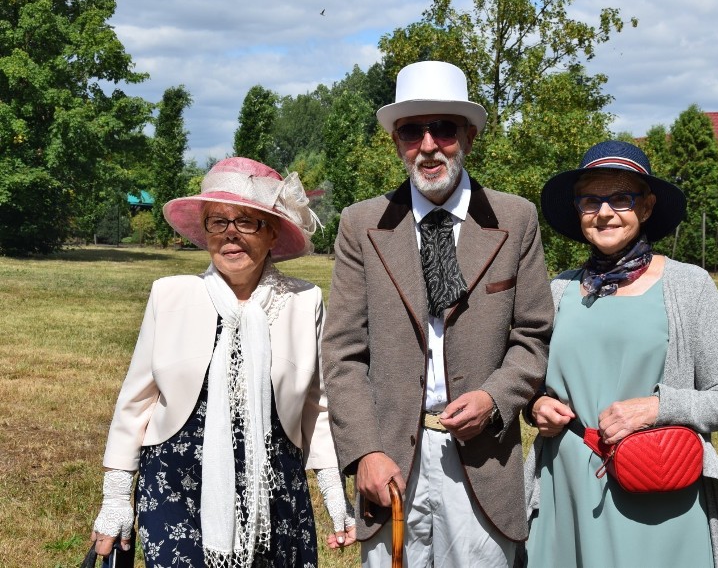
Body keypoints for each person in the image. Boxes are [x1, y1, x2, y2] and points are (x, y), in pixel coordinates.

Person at [321, 60, 553, 567]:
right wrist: (364, 451)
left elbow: (534, 334)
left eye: (443, 128)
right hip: (390, 465)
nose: (428, 146)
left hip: (483, 463)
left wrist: (495, 398)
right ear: (396, 142)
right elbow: (342, 351)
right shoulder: (361, 224)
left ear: (468, 135)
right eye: (411, 131)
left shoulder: (515, 219)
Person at [89, 157, 355, 567]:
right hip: (176, 487)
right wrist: (115, 497)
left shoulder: (304, 301)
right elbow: (136, 401)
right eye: (218, 221)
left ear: (272, 235)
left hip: (274, 493)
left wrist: (335, 496)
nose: (231, 234)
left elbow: (317, 407)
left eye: (247, 221)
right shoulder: (170, 295)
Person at [523, 140, 718, 567]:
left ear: (646, 207)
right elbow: (535, 385)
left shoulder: (689, 286)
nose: (604, 212)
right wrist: (538, 405)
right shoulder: (557, 292)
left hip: (658, 490)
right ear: (577, 211)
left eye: (620, 198)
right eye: (590, 200)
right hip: (568, 488)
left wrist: (656, 408)